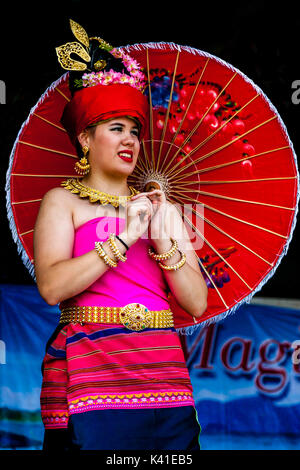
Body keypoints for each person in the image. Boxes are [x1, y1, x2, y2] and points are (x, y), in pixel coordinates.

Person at [35, 20, 208, 451]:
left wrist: (163, 233)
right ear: (85, 139)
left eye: (134, 129)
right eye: (115, 128)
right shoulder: (62, 201)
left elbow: (196, 301)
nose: (130, 139)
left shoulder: (160, 209)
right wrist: (127, 235)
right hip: (90, 363)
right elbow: (52, 287)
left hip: (162, 368)